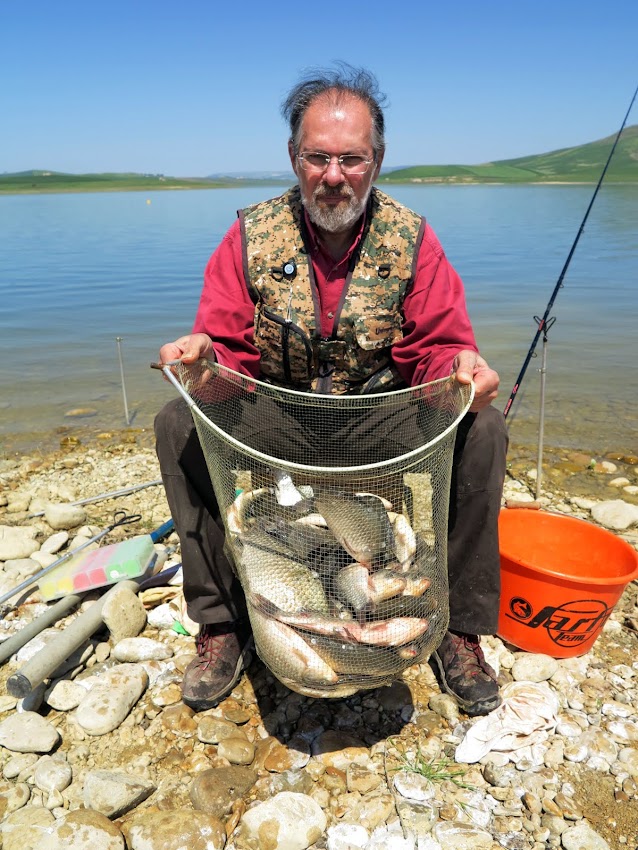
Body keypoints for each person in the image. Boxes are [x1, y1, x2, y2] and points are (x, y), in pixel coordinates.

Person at [155, 64, 508, 718]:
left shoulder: (413, 240)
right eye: (318, 157)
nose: (334, 174)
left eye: (352, 158)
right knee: (176, 423)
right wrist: (200, 362)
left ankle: (459, 629)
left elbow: (438, 346)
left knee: (484, 429)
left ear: (377, 160)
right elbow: (224, 350)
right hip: (280, 418)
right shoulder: (249, 236)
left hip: (380, 422)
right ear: (293, 157)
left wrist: (463, 372)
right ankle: (222, 623)